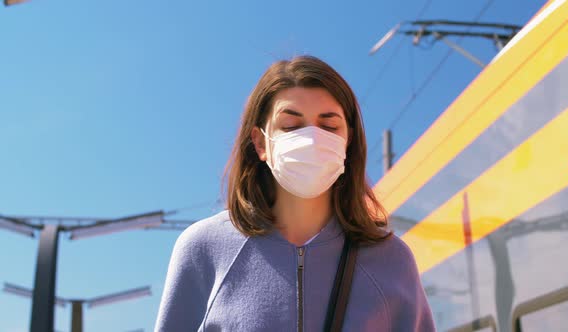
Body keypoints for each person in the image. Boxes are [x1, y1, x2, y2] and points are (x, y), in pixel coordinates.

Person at [155, 55, 435, 331]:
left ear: (347, 141)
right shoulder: (202, 248)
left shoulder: (392, 259)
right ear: (260, 142)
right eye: (291, 126)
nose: (312, 139)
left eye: (328, 126)